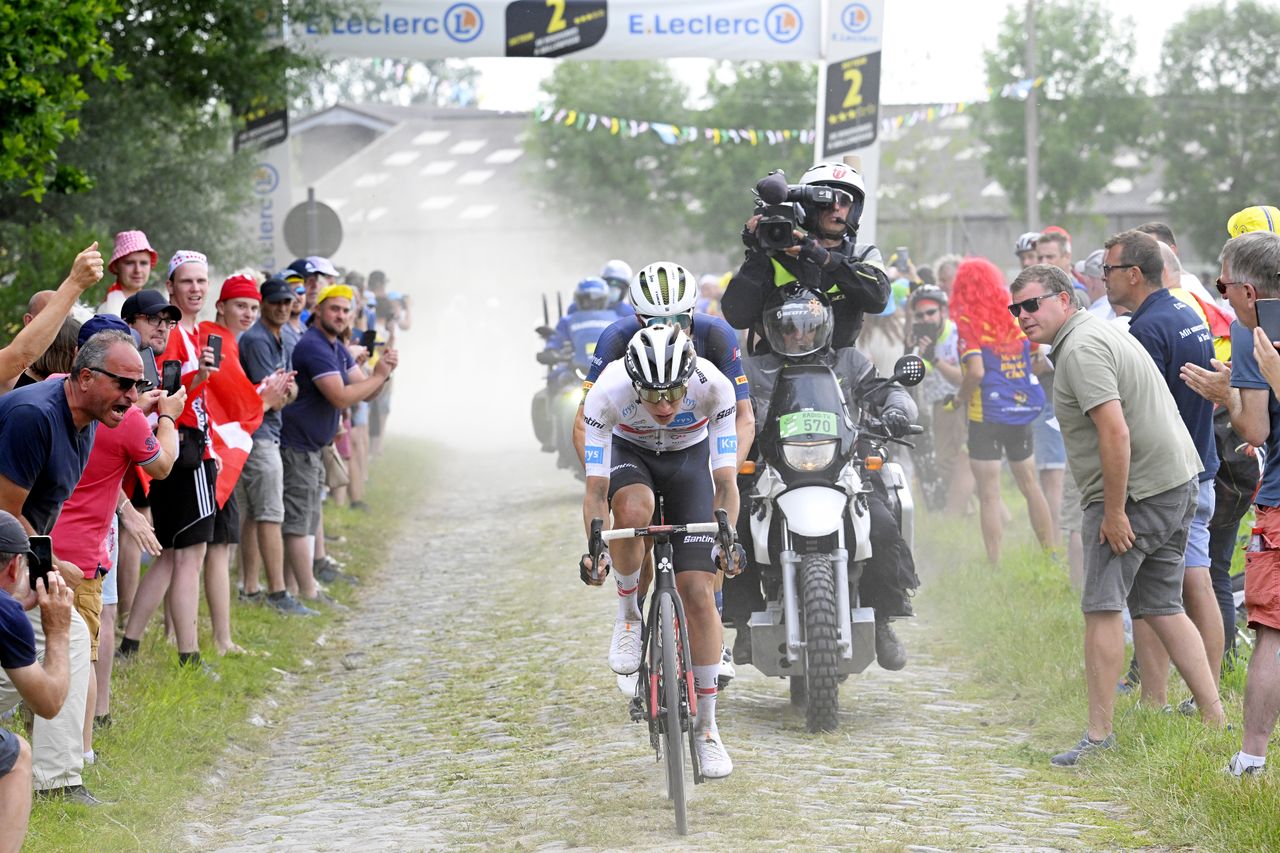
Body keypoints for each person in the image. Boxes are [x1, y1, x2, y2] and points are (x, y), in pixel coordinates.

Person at [1010, 263, 1224, 766]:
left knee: (1102, 607)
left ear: (1065, 299)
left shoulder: (1082, 349)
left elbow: (1115, 433)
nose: (1023, 316)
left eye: (1032, 304)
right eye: (1015, 308)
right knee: (1162, 605)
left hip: (1139, 493)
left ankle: (1099, 738)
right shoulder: (1096, 332)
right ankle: (1215, 715)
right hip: (1176, 482)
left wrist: (1113, 511)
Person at [579, 324, 742, 778]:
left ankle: (708, 729)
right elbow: (595, 491)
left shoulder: (714, 387)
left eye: (673, 392)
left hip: (690, 463)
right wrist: (595, 548)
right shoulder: (607, 393)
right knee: (633, 507)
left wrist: (728, 538)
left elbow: (726, 483)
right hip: (633, 456)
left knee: (698, 593)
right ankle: (630, 613)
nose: (666, 405)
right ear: (633, 383)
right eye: (652, 396)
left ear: (688, 378)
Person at [733, 284, 920, 669]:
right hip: (771, 470)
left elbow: (891, 392)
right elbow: (723, 404)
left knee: (882, 526)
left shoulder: (849, 362)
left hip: (842, 469)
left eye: (808, 326)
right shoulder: (751, 370)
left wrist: (897, 411)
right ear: (771, 329)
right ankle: (742, 622)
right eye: (789, 327)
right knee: (733, 530)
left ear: (825, 326)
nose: (799, 335)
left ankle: (882, 617)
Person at [0, 328, 150, 802]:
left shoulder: (89, 418)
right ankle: (55, 782)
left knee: (62, 638)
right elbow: (5, 513)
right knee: (66, 636)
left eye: (138, 386)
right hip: (10, 551)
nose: (132, 397)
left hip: (21, 554)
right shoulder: (35, 415)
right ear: (85, 377)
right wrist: (51, 563)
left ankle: (53, 777)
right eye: (123, 384)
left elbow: (46, 505)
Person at [49, 316, 182, 764]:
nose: (129, 390)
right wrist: (165, 417)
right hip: (84, 553)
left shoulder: (50, 391)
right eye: (124, 379)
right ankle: (78, 754)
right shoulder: (127, 422)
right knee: (80, 656)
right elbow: (162, 466)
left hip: (37, 541)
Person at [1102, 229, 1223, 710]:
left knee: (1177, 589)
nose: (1103, 279)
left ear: (1134, 274)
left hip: (1173, 476)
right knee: (1177, 589)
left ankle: (1194, 697)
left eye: (1109, 270)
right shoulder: (1184, 309)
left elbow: (1138, 414)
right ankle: (1174, 698)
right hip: (1200, 463)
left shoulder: (1147, 330)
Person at [1180, 230, 1280, 777]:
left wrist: (1227, 397)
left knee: (1271, 630)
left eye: (1222, 286)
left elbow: (1255, 427)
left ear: (1246, 290)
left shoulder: (1252, 334)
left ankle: (1251, 759)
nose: (1221, 298)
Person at [119, 251, 222, 671]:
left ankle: (130, 642)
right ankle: (189, 656)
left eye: (202, 281)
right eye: (187, 282)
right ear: (171, 287)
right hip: (185, 450)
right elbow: (169, 400)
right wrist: (197, 384)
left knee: (167, 554)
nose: (196, 289)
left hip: (175, 448)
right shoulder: (174, 336)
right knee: (189, 556)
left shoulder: (191, 332)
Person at [279, 284, 398, 606]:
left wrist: (382, 375)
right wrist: (378, 377)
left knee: (308, 517)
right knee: (299, 522)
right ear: (318, 310)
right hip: (297, 445)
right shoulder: (314, 346)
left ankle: (296, 590)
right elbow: (341, 396)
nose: (341, 316)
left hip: (316, 446)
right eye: (335, 309)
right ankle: (307, 591)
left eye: (346, 311)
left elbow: (364, 390)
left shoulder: (336, 346)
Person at [722, 162, 891, 352]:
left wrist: (824, 258)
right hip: (775, 371)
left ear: (855, 209)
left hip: (841, 371)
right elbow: (737, 316)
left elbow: (879, 299)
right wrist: (757, 254)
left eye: (844, 201)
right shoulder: (777, 252)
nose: (836, 207)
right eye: (825, 201)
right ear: (807, 207)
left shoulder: (863, 254)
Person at [949, 257, 1053, 562]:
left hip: (986, 414)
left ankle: (994, 562)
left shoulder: (967, 321)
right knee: (1030, 485)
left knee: (989, 493)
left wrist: (958, 399)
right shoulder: (1014, 317)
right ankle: (1051, 554)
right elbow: (1034, 357)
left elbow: (976, 372)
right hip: (1020, 409)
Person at [235, 278, 311, 615]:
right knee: (269, 513)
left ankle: (251, 586)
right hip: (260, 433)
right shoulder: (257, 340)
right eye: (276, 302)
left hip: (267, 431)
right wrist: (284, 393)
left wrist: (285, 393)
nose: (282, 307)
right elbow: (276, 395)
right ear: (264, 303)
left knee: (253, 513)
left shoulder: (278, 337)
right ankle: (278, 592)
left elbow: (287, 390)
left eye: (287, 302)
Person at [0, 511, 75, 829]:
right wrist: (58, 630)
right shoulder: (7, 615)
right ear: (16, 565)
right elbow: (49, 702)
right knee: (17, 757)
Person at [907, 285, 973, 515]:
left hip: (958, 401)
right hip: (939, 404)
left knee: (951, 462)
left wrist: (933, 358)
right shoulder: (923, 338)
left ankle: (958, 514)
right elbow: (920, 373)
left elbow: (963, 378)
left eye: (931, 312)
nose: (926, 318)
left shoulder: (957, 335)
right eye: (920, 315)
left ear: (943, 311)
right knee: (956, 462)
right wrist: (914, 352)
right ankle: (986, 513)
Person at [0, 243, 103, 390]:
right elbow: (20, 356)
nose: (62, 327)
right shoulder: (12, 379)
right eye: (54, 317)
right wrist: (75, 283)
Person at [97, 230, 158, 317]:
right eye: (129, 263)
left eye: (143, 263)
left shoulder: (150, 302)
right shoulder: (110, 311)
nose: (138, 270)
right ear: (115, 266)